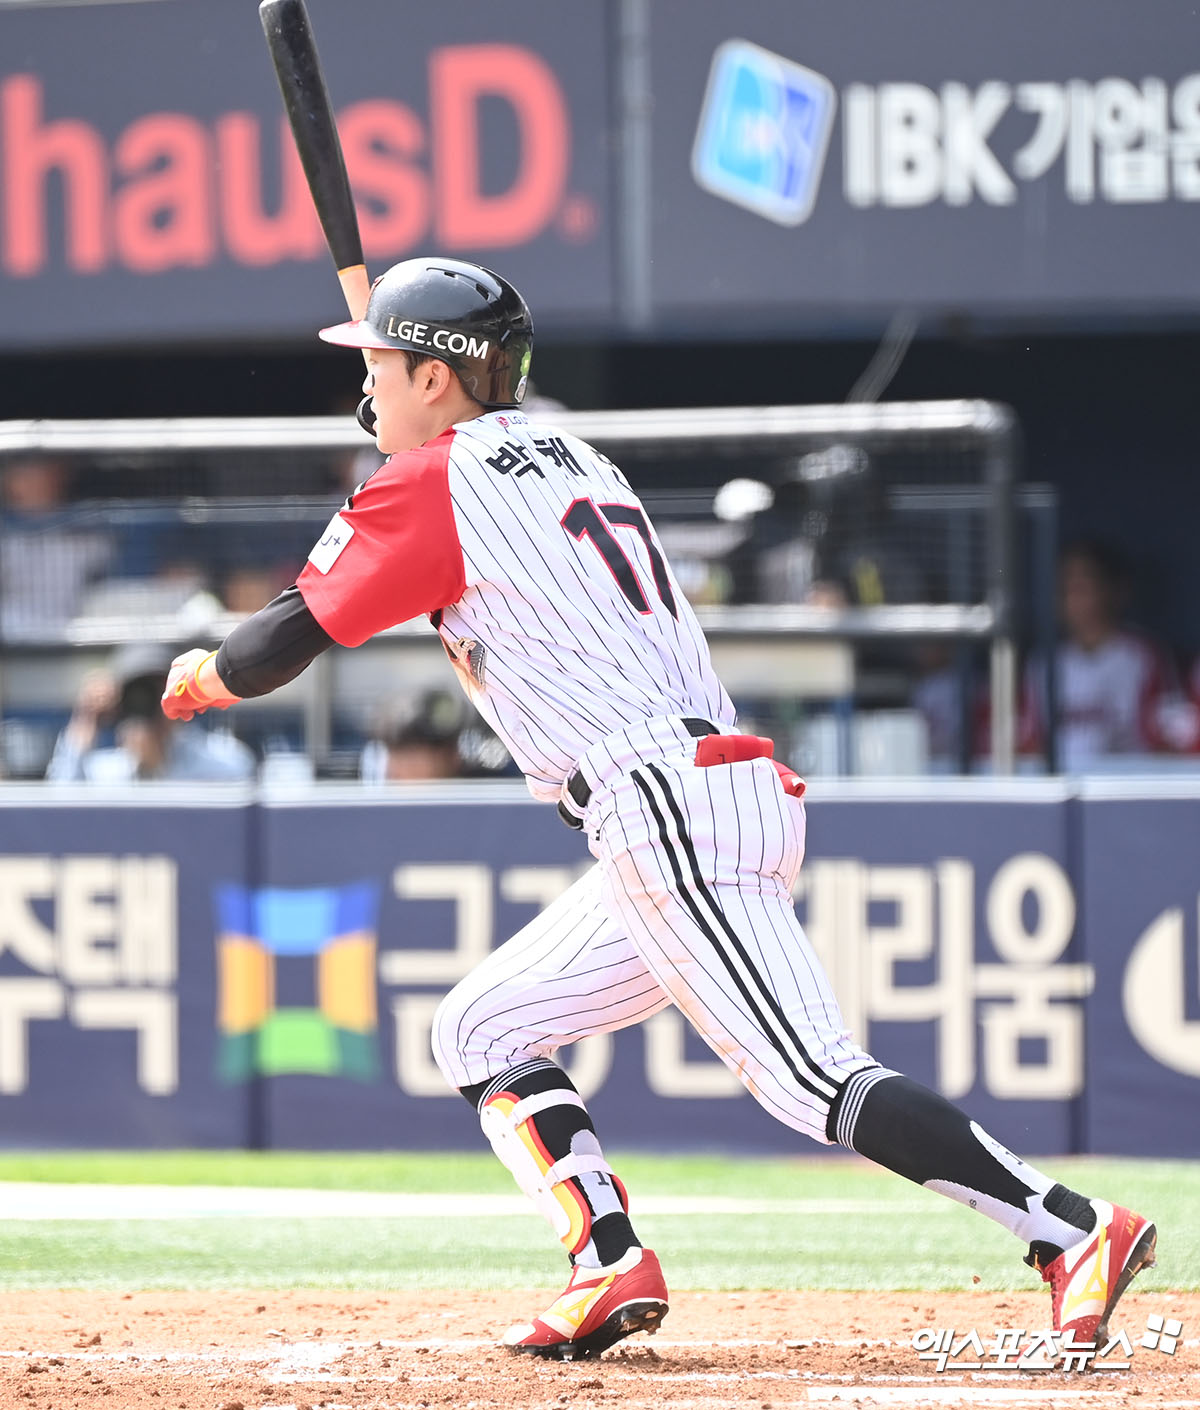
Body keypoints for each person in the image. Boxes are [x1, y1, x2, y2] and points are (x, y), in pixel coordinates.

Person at [161, 256, 1155, 1363]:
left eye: (384, 368)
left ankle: (1072, 1231)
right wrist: (411, 418)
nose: (368, 391)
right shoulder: (571, 456)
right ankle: (607, 1262)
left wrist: (204, 672)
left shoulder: (435, 479)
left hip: (662, 801)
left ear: (438, 379)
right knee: (481, 1027)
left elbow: (280, 640)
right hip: (689, 792)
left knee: (811, 1077)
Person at [1020, 541, 1181, 771]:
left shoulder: (1143, 655)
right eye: (1065, 586)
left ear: (1116, 589)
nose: (1073, 596)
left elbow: (1167, 742)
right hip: (1061, 786)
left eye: (1084, 585)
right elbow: (1030, 744)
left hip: (1126, 783)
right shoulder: (1043, 662)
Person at [47, 642, 256, 783]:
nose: (148, 703)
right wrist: (85, 720)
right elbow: (60, 811)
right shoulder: (107, 772)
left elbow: (240, 776)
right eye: (136, 693)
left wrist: (160, 768)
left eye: (157, 693)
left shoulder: (224, 759)